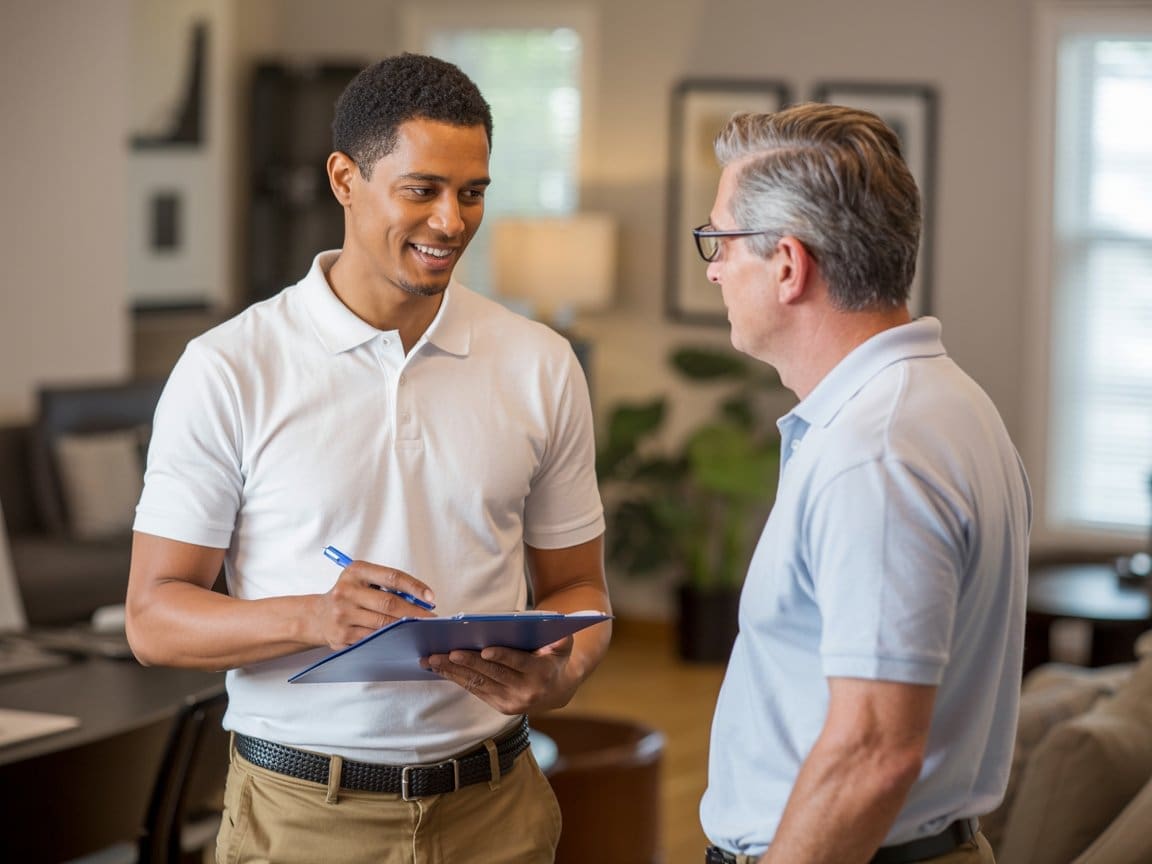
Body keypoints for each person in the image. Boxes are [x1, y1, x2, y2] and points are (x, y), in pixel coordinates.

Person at [125, 53, 611, 864]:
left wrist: (562, 676)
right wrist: (315, 618)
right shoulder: (228, 368)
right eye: (421, 190)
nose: (451, 221)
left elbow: (579, 588)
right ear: (345, 179)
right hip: (300, 819)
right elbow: (152, 618)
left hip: (499, 812)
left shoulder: (541, 363)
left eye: (473, 192)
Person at [695, 104, 1031, 864]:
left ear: (788, 264)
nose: (712, 267)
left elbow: (875, 752)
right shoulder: (945, 403)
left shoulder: (876, 453)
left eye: (718, 240)